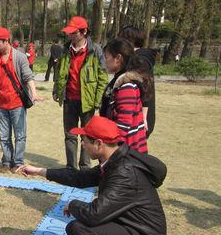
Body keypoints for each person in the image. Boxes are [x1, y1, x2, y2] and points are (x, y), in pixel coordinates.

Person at [17, 116, 167, 235]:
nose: (83, 144)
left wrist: (72, 205)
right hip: (138, 229)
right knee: (77, 227)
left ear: (99, 143)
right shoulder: (115, 160)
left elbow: (94, 214)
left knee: (82, 230)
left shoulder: (123, 173)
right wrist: (39, 171)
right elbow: (80, 178)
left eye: (85, 140)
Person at [0, 27, 44, 172]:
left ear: (6, 41)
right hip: (2, 105)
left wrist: (34, 93)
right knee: (4, 136)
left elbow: (28, 76)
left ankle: (17, 162)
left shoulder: (19, 57)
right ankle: (6, 160)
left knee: (20, 135)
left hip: (17, 104)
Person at [53, 16, 107, 170]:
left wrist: (98, 100)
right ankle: (71, 167)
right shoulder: (65, 49)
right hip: (69, 99)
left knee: (87, 135)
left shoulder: (95, 50)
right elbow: (59, 72)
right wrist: (56, 90)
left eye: (73, 33)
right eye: (69, 33)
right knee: (70, 135)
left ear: (84, 32)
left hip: (87, 101)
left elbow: (102, 76)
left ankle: (84, 167)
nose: (70, 35)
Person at [100, 38, 149, 153]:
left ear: (118, 58)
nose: (104, 61)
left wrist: (110, 150)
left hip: (126, 152)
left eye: (106, 57)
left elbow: (123, 126)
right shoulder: (118, 80)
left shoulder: (127, 87)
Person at [118, 26, 157, 137]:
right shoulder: (133, 58)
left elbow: (146, 88)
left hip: (138, 114)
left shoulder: (141, 60)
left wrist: (144, 117)